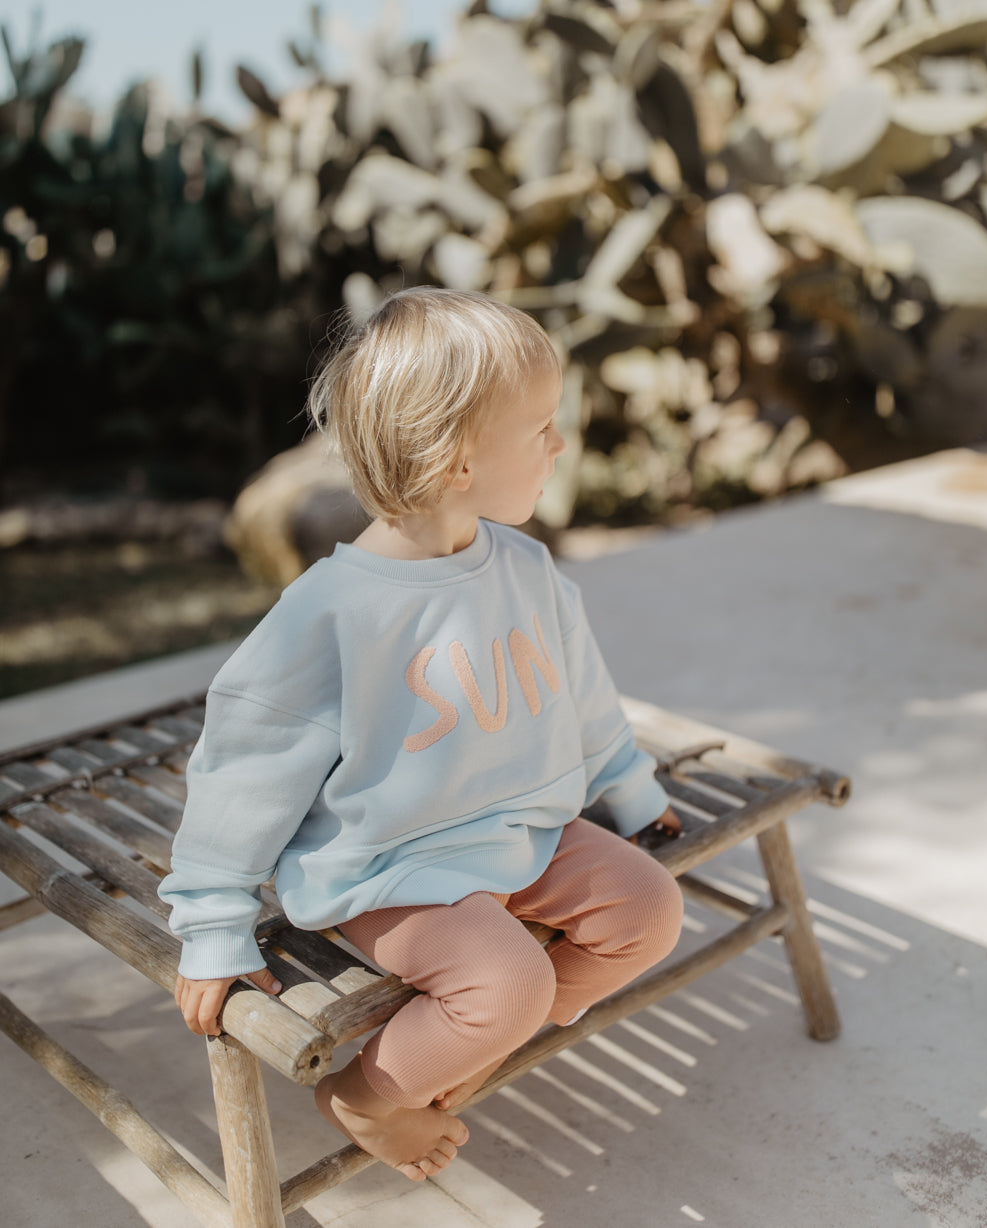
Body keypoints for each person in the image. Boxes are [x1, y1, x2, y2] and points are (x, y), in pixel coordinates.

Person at [159, 287, 684, 1183]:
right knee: (508, 986)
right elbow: (242, 771)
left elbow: (581, 693)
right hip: (391, 866)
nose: (560, 445)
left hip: (521, 830)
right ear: (454, 462)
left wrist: (629, 788)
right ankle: (365, 1096)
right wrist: (212, 923)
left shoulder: (523, 566)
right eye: (541, 429)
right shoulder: (331, 615)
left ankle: (451, 1059)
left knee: (649, 911)